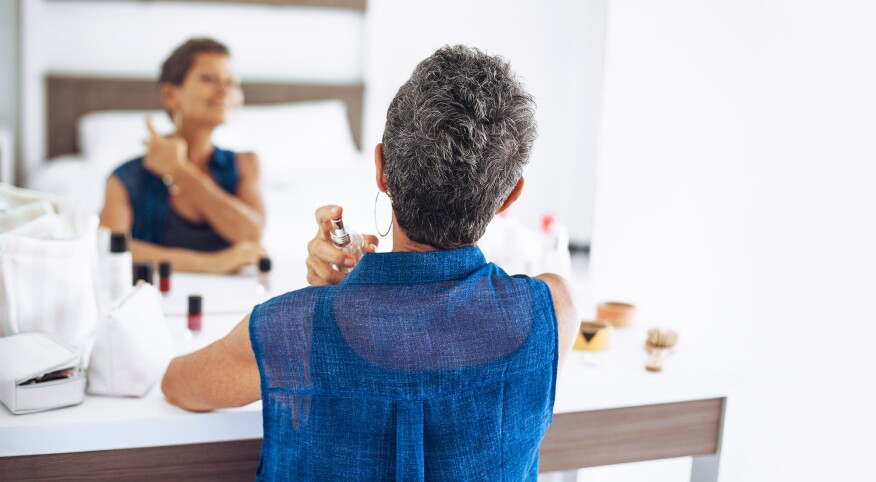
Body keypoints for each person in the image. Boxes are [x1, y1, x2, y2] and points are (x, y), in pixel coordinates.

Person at [161, 45, 578, 480]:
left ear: (381, 169)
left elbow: (179, 384)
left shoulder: (292, 327)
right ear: (510, 197)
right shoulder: (555, 308)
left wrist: (332, 299)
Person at [99, 38, 266, 274]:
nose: (225, 89)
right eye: (209, 78)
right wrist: (213, 264)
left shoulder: (246, 164)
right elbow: (108, 251)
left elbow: (251, 234)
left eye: (232, 82)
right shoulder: (125, 179)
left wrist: (181, 171)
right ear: (170, 94)